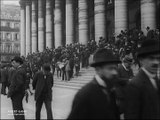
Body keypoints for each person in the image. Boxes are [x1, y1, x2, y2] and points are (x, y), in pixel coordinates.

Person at [68, 48, 121, 119]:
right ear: (98, 70)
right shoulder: (84, 95)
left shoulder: (112, 90)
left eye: (115, 68)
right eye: (110, 68)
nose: (115, 72)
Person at [124, 39, 160, 119]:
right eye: (151, 58)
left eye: (158, 58)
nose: (156, 62)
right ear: (141, 60)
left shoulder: (157, 81)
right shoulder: (134, 85)